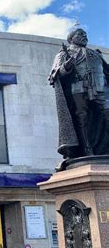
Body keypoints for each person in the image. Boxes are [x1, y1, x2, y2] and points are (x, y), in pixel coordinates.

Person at [49, 28, 109, 163]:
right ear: (71, 38)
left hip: (99, 88)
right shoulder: (64, 53)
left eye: (85, 34)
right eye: (80, 34)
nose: (84, 36)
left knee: (106, 113)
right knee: (82, 118)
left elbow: (107, 71)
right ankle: (87, 149)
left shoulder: (96, 54)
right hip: (78, 88)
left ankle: (104, 147)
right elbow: (56, 74)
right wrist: (66, 66)